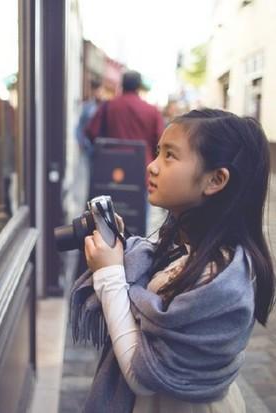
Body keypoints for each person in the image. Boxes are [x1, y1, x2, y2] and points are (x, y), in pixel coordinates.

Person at [71, 108, 275, 412]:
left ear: (215, 180)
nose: (152, 166)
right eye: (158, 152)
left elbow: (142, 376)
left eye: (170, 156)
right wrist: (124, 249)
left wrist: (110, 273)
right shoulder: (183, 245)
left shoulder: (216, 277)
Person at [86, 70, 164, 169]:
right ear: (139, 86)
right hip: (142, 167)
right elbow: (159, 141)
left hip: (112, 166)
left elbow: (92, 132)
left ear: (122, 84)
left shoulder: (108, 106)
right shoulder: (152, 111)